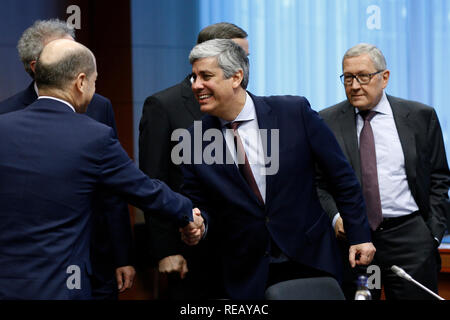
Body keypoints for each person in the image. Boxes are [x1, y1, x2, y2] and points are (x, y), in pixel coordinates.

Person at [0, 39, 203, 300]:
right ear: (81, 81)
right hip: (62, 286)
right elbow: (144, 190)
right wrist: (188, 211)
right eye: (96, 81)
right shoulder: (92, 136)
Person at [179, 39, 376, 299]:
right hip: (244, 271)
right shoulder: (195, 138)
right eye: (193, 77)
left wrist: (360, 234)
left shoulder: (293, 112)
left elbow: (341, 177)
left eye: (205, 76)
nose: (196, 85)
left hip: (310, 258)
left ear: (236, 77)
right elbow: (200, 204)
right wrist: (198, 227)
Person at [0, 19, 134, 299]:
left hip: (96, 259)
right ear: (37, 66)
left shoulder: (99, 106)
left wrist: (123, 255)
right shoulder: (6, 116)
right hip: (29, 268)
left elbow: (115, 189)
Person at [317, 43, 450, 299]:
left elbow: (439, 177)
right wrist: (335, 218)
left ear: (384, 77)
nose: (354, 85)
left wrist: (431, 235)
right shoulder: (326, 121)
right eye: (348, 77)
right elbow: (318, 183)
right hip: (355, 240)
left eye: (363, 76)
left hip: (410, 239)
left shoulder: (420, 116)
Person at [139, 22, 248, 299]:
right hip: (192, 251)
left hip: (244, 249)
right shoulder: (164, 105)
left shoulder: (248, 104)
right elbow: (153, 181)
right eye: (240, 57)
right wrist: (166, 250)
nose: (246, 67)